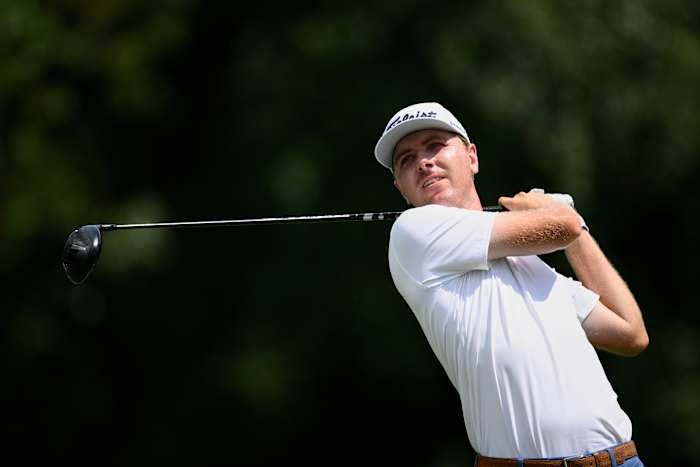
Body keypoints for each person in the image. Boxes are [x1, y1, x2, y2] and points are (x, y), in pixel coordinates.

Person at [373, 102, 648, 467]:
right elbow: (563, 226)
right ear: (400, 187)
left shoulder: (531, 265)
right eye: (407, 159)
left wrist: (574, 231)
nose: (423, 162)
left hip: (621, 459)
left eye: (435, 145)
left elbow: (630, 334)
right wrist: (557, 213)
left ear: (471, 157)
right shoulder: (413, 232)